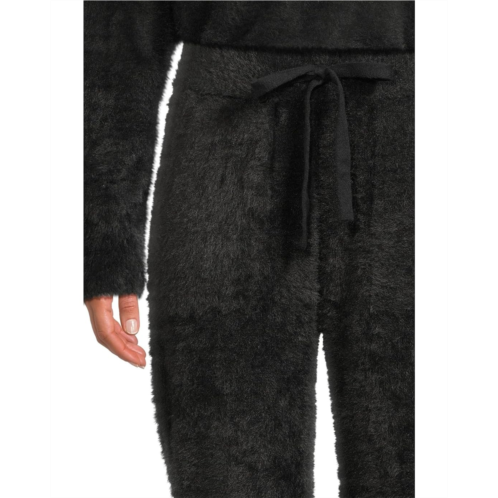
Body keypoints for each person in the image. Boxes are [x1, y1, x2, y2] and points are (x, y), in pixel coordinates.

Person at [84, 1, 415, 497]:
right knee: (226, 461)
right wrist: (105, 245)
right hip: (224, 136)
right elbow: (119, 40)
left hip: (409, 135)